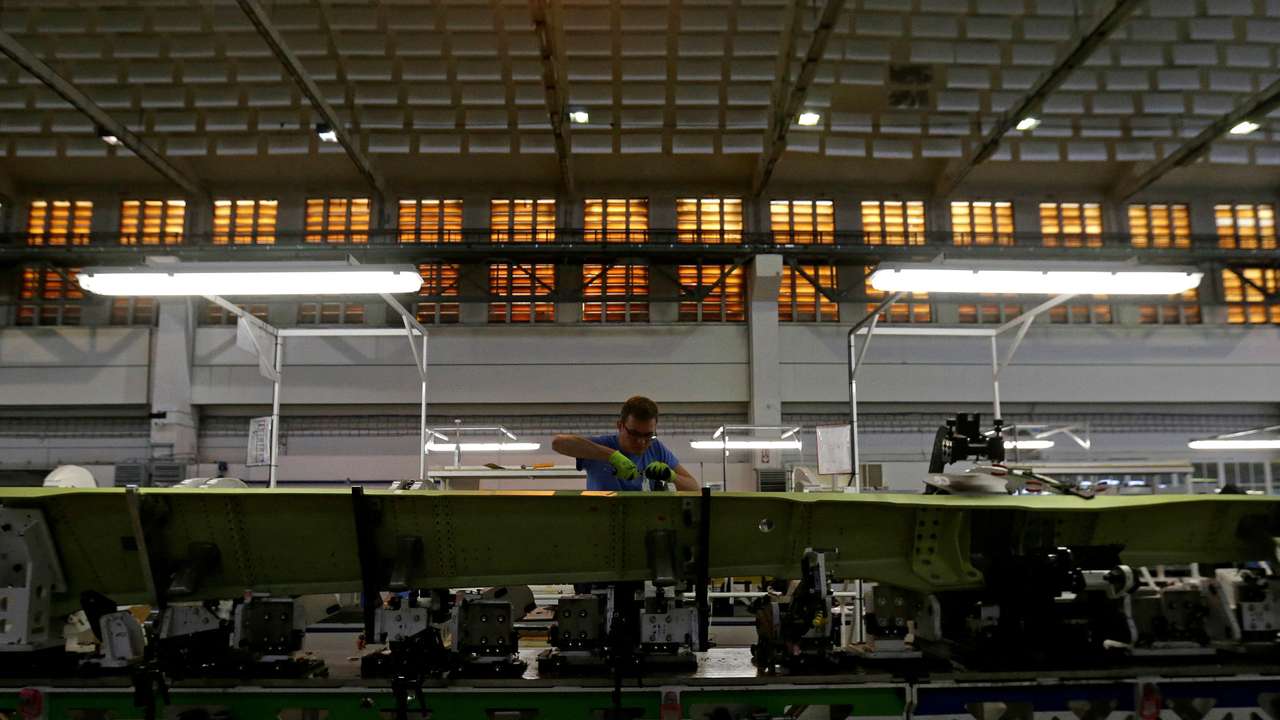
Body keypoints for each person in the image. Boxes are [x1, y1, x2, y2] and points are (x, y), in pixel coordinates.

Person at [552, 396, 699, 491]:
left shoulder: (656, 448)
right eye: (634, 434)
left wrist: (672, 476)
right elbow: (557, 443)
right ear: (620, 426)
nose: (641, 442)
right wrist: (612, 456)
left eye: (648, 435)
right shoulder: (600, 446)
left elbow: (694, 488)